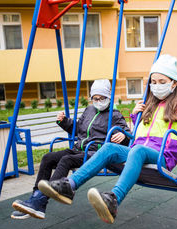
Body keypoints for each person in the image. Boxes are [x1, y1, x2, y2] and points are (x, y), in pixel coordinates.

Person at [38, 55, 177, 224]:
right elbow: (144, 130)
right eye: (153, 82)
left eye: (162, 82)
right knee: (108, 147)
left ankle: (113, 199)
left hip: (162, 156)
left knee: (137, 150)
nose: (156, 86)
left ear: (174, 84)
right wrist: (136, 115)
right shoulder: (149, 103)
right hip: (138, 151)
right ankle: (70, 185)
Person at [11, 79, 131, 220]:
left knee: (66, 160)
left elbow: (126, 133)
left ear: (108, 98)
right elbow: (78, 129)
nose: (98, 101)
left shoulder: (114, 114)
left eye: (102, 98)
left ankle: (40, 201)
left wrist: (122, 135)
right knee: (47, 158)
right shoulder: (89, 110)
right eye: (95, 98)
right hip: (78, 148)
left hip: (94, 153)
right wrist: (64, 122)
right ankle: (35, 197)